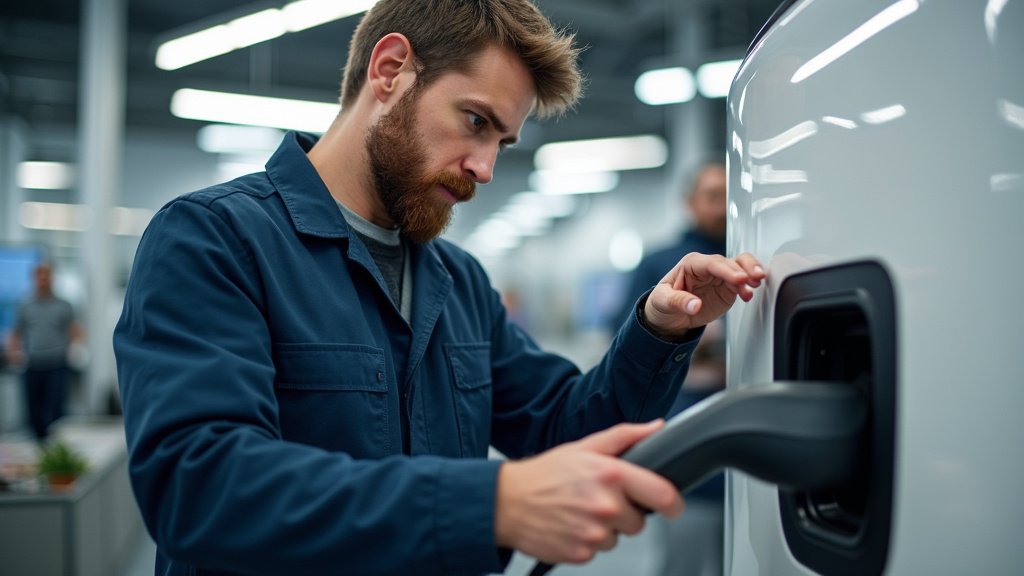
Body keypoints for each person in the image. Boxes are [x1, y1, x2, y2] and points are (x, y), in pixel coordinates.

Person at [112, 1, 765, 575]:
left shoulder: (458, 283)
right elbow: (198, 485)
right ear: (390, 70)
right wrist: (489, 503)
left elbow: (565, 428)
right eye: (476, 121)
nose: (485, 168)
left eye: (502, 142)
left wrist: (659, 328)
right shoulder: (216, 239)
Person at [614, 162, 730, 576]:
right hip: (687, 433)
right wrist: (696, 335)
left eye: (729, 197)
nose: (722, 207)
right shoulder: (661, 265)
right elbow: (627, 342)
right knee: (685, 560)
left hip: (745, 448)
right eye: (712, 196)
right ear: (689, 201)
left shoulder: (751, 261)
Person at [5, 262, 83, 440]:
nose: (43, 279)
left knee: (57, 407)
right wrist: (14, 352)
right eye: (39, 276)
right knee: (33, 409)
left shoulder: (64, 305)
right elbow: (17, 331)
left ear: (52, 277)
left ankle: (57, 445)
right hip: (33, 363)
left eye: (46, 275)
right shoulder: (25, 304)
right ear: (34, 278)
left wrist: (76, 348)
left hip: (58, 363)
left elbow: (74, 329)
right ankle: (38, 443)